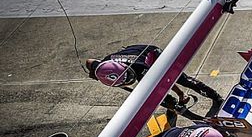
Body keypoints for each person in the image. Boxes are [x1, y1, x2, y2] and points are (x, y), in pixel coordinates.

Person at [85, 43, 224, 113]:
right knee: (157, 89)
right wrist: (95, 74)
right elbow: (89, 61)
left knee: (182, 80)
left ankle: (216, 96)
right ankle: (177, 98)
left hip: (155, 56)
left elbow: (163, 82)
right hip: (138, 58)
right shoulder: (103, 65)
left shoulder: (141, 69)